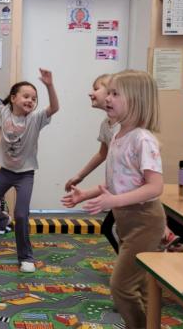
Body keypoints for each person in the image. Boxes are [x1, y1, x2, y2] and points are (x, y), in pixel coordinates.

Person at [61, 70, 165, 328]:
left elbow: (155, 187)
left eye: (115, 94)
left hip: (144, 221)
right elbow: (118, 180)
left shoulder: (142, 139)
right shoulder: (118, 136)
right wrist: (85, 194)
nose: (107, 98)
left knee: (121, 286)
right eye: (108, 93)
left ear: (136, 100)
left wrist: (114, 202)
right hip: (127, 222)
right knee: (140, 285)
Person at [0, 68, 59, 273]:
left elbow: (54, 107)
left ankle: (26, 257)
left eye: (34, 98)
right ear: (13, 98)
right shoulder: (4, 111)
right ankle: (1, 221)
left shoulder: (36, 118)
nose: (30, 100)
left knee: (21, 215)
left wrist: (49, 85)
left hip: (25, 174)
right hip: (6, 171)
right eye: (26, 96)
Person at [64, 74, 120, 253]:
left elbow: (120, 177)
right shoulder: (106, 124)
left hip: (131, 197)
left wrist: (87, 195)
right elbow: (102, 153)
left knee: (116, 231)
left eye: (96, 89)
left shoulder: (125, 129)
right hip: (119, 191)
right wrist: (80, 176)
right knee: (111, 230)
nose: (90, 93)